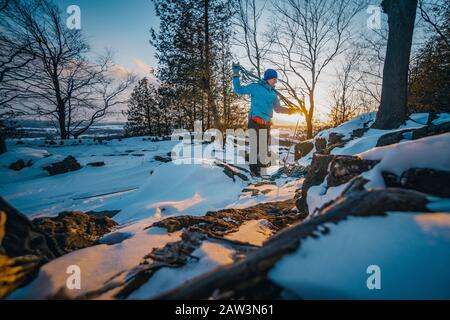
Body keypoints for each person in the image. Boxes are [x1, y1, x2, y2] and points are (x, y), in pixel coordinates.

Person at [232, 64, 298, 176]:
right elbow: (238, 90)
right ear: (268, 78)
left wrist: (291, 111)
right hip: (254, 122)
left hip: (266, 124)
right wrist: (235, 74)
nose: (276, 81)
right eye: (274, 79)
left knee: (263, 149)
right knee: (255, 148)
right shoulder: (255, 87)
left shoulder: (273, 93)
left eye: (276, 79)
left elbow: (278, 109)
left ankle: (262, 170)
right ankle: (254, 172)